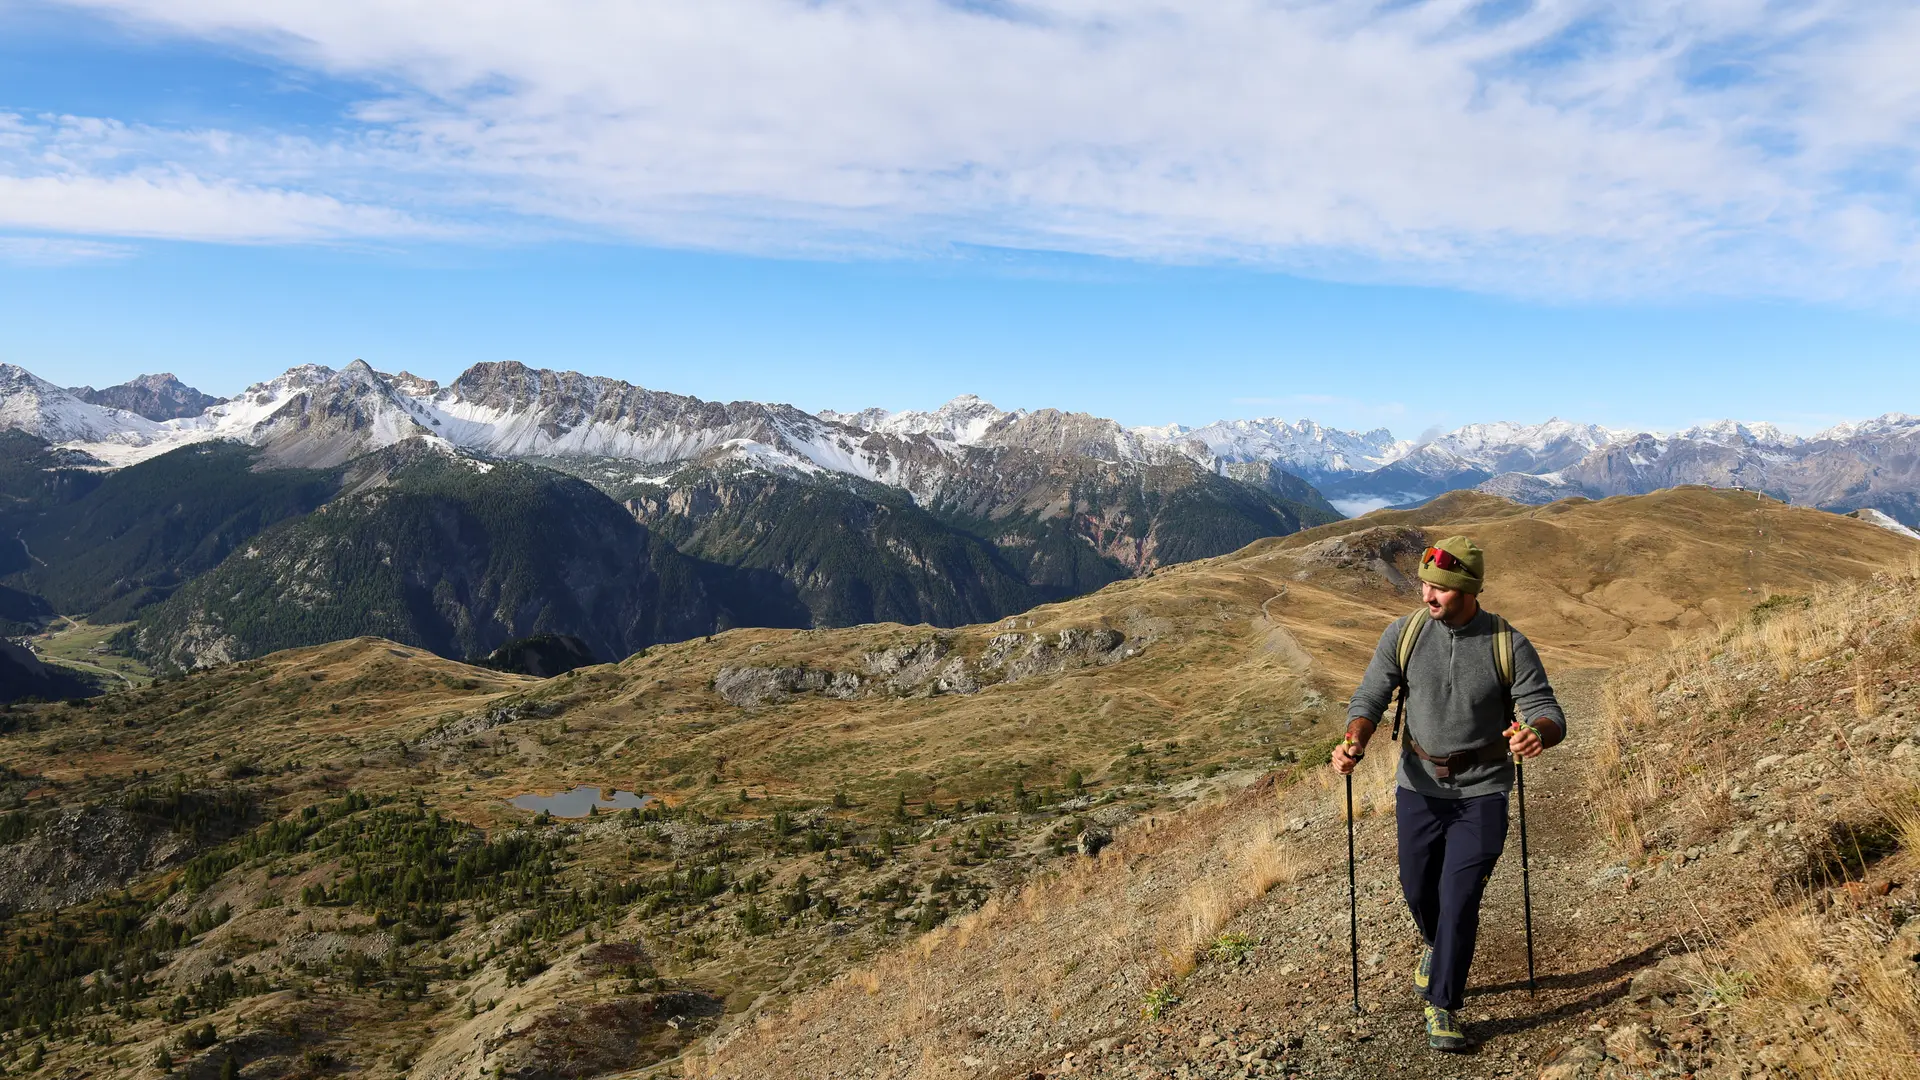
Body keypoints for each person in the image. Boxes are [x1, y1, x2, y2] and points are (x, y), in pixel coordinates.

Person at [1330, 535, 1564, 1052]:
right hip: (1417, 784)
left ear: (1468, 590)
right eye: (1425, 584)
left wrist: (1536, 734)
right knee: (1417, 889)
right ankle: (1438, 947)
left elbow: (1547, 709)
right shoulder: (1406, 634)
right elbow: (1370, 696)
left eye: (1440, 588)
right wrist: (1354, 741)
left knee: (1459, 898)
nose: (1427, 596)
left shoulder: (1508, 644)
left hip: (1483, 790)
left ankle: (1444, 1005)